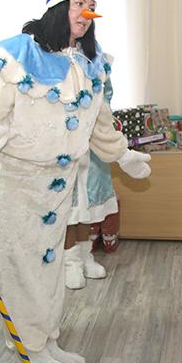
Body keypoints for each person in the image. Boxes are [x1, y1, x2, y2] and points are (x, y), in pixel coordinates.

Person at [0, 0, 151, 363]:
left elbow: (99, 122)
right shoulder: (17, 58)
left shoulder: (89, 63)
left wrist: (123, 155)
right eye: (78, 4)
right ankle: (29, 354)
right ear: (58, 7)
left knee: (49, 268)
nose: (86, 14)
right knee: (19, 272)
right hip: (15, 185)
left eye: (91, 7)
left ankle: (45, 342)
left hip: (58, 188)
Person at [64, 78, 120, 290]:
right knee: (68, 207)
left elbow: (105, 94)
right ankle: (70, 262)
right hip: (63, 141)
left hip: (91, 140)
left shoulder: (95, 65)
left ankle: (85, 256)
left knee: (86, 207)